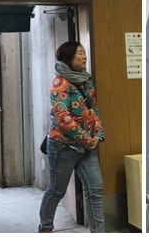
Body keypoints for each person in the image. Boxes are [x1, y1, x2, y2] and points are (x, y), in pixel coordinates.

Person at [38, 41, 105, 233]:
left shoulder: (86, 79)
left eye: (84, 53)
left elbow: (94, 109)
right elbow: (63, 118)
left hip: (88, 146)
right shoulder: (60, 84)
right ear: (68, 58)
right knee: (56, 190)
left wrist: (98, 135)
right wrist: (86, 138)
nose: (84, 57)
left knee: (96, 190)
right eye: (79, 54)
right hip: (63, 146)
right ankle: (45, 227)